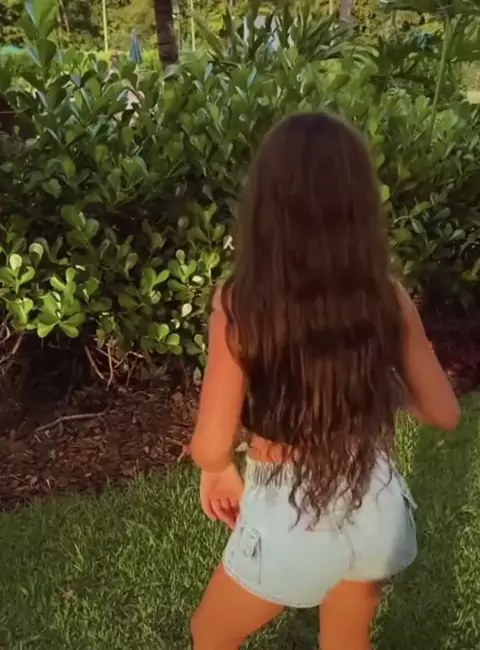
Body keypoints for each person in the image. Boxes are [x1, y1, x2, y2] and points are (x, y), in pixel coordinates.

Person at [189, 112, 460, 650]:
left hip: (291, 511)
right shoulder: (386, 297)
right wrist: (374, 389)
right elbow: (445, 413)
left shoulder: (242, 304)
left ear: (266, 205)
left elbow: (211, 444)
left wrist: (217, 471)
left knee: (211, 633)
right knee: (347, 639)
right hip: (375, 500)